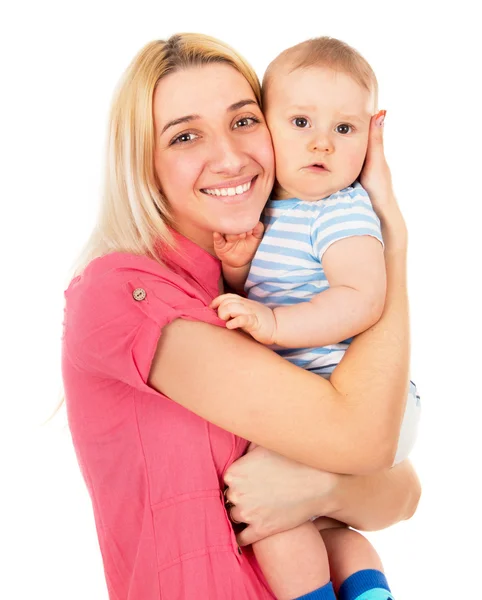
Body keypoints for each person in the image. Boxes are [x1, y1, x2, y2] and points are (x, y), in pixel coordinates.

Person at [61, 33, 420, 600]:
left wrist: (318, 488)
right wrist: (393, 247)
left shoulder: (269, 273)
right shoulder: (124, 295)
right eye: (184, 135)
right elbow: (365, 441)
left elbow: (403, 490)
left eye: (244, 120)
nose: (229, 156)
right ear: (143, 162)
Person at [211, 37, 421, 599]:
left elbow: (360, 298)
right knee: (328, 526)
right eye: (301, 121)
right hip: (323, 388)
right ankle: (370, 590)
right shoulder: (272, 209)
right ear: (266, 126)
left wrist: (273, 325)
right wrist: (236, 273)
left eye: (345, 130)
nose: (322, 142)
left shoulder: (339, 210)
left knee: (271, 516)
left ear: (368, 142)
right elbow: (262, 292)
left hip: (348, 388)